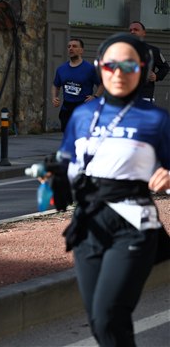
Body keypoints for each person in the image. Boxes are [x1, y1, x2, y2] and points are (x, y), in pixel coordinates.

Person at [59, 33, 170, 346]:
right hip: (87, 224)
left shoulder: (156, 119)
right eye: (111, 65)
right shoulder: (82, 115)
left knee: (109, 315)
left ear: (142, 68)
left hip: (133, 225)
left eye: (128, 65)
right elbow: (66, 163)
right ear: (100, 68)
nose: (118, 73)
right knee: (100, 322)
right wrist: (52, 179)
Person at [51, 38, 103, 132]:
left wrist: (95, 96)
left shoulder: (90, 69)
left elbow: (102, 84)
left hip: (84, 108)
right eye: (69, 46)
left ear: (81, 50)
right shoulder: (61, 69)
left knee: (82, 137)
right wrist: (54, 97)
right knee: (68, 137)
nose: (71, 48)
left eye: (74, 46)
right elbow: (56, 85)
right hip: (66, 109)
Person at [128, 20, 169, 102]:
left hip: (145, 96)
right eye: (130, 30)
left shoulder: (153, 51)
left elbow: (165, 68)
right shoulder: (121, 50)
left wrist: (156, 76)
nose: (132, 32)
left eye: (136, 30)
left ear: (144, 33)